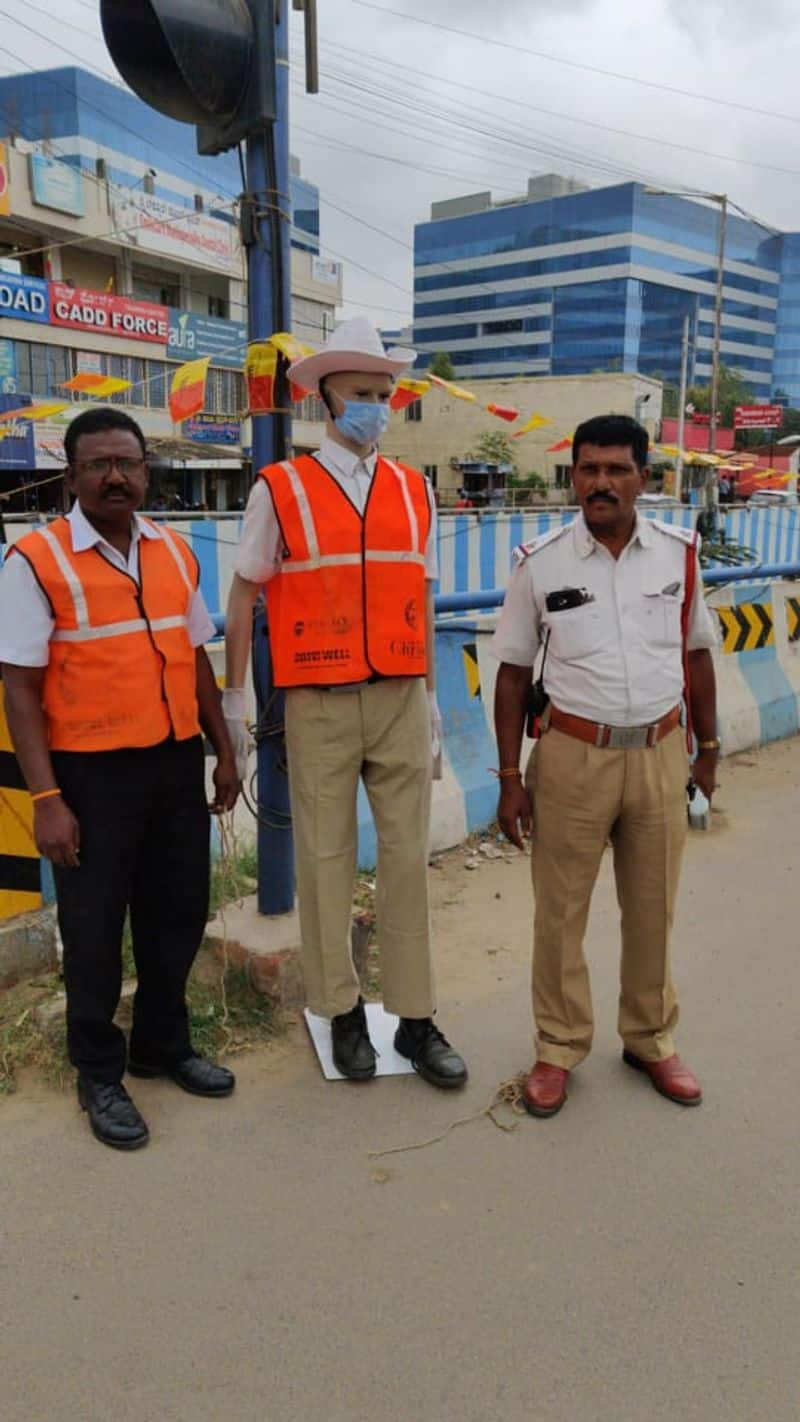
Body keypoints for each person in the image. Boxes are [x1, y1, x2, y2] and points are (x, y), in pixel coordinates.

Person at [224, 317, 467, 1089]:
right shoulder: (281, 488)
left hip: (398, 695)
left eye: (384, 393)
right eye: (361, 393)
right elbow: (242, 594)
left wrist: (428, 694)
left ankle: (417, 1019)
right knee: (324, 863)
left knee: (406, 862)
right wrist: (237, 693)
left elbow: (422, 596)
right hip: (318, 701)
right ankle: (342, 1014)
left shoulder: (414, 489)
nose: (375, 406)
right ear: (325, 399)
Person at [0, 408, 239, 1151]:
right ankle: (99, 1072)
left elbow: (195, 655)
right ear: (70, 475)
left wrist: (223, 750)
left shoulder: (173, 550)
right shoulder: (35, 561)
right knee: (95, 931)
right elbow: (17, 688)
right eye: (99, 464)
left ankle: (162, 1045)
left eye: (128, 464)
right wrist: (46, 800)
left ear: (146, 471)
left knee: (178, 916)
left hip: (171, 765)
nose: (116, 476)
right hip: (90, 778)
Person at [492, 414, 718, 1118]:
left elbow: (698, 654)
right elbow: (509, 674)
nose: (601, 482)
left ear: (643, 479)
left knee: (652, 908)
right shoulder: (542, 561)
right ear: (575, 477)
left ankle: (650, 1037)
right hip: (569, 758)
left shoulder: (678, 556)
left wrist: (707, 752)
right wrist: (508, 779)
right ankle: (558, 1047)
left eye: (617, 469)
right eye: (588, 469)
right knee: (559, 914)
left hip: (657, 754)